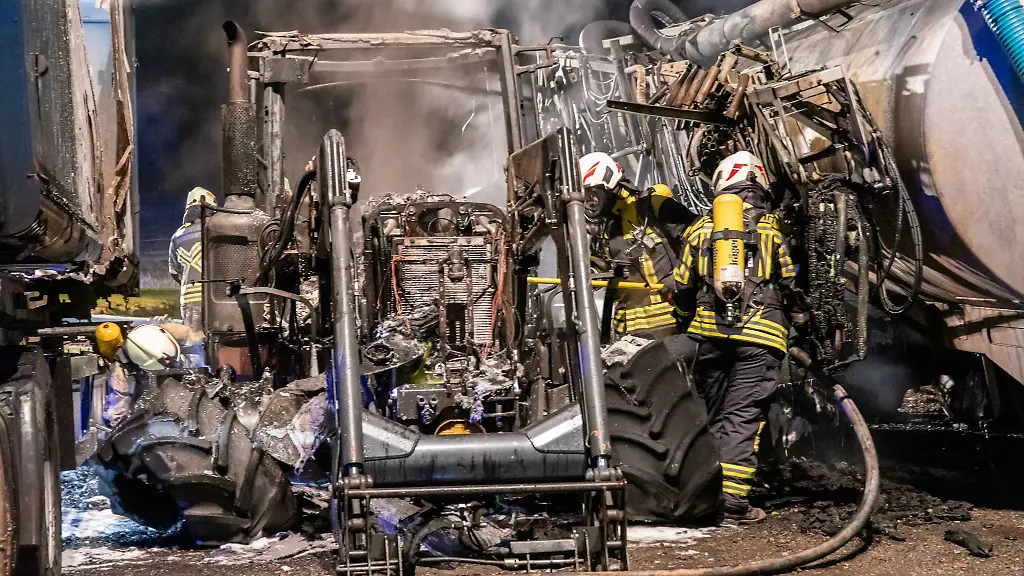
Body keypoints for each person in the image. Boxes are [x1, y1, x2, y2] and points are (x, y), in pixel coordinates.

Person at [671, 151, 808, 523]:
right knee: (742, 417)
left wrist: (684, 320)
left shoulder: (701, 229)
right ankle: (731, 504)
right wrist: (800, 324)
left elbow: (682, 285)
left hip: (708, 338)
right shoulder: (772, 230)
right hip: (760, 339)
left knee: (710, 414)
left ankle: (700, 491)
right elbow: (790, 283)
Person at [579, 152, 695, 340]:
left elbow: (699, 241)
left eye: (593, 196)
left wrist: (679, 283)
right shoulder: (605, 230)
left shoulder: (654, 207)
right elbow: (597, 270)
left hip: (675, 326)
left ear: (608, 185)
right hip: (631, 335)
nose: (590, 204)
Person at [169, 187, 215, 365]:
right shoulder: (216, 231)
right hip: (215, 298)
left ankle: (194, 383)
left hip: (189, 300)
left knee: (193, 343)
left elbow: (174, 272)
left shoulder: (177, 236)